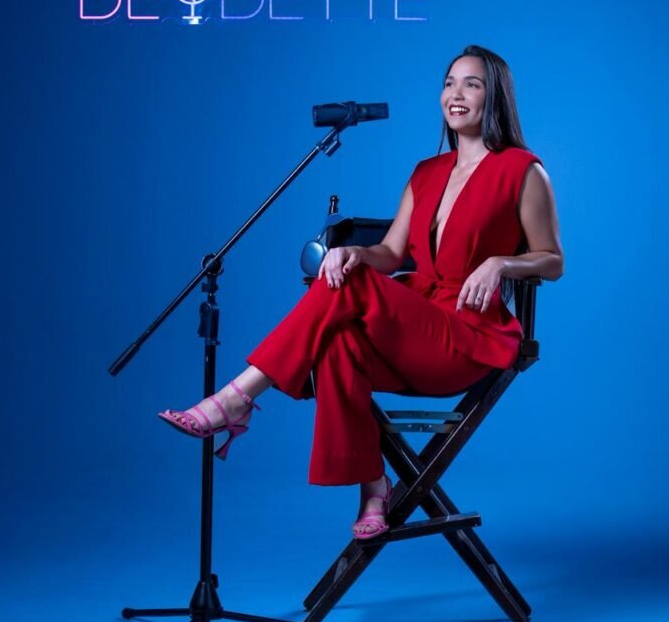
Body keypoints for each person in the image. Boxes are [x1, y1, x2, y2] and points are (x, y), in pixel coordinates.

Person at [159, 44, 564, 539]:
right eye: (449, 83)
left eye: (472, 85)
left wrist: (501, 263)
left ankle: (236, 397)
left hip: (468, 335)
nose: (456, 95)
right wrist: (352, 253)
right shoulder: (426, 173)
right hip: (418, 323)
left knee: (348, 290)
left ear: (494, 96)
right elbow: (391, 253)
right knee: (338, 339)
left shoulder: (523, 171)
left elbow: (553, 259)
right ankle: (374, 489)